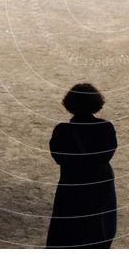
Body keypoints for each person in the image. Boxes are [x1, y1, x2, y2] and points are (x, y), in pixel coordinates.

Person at [46, 83, 117, 248]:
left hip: (72, 187)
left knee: (68, 233)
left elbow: (59, 157)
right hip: (100, 188)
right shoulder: (105, 128)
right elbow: (107, 154)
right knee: (99, 232)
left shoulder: (62, 131)